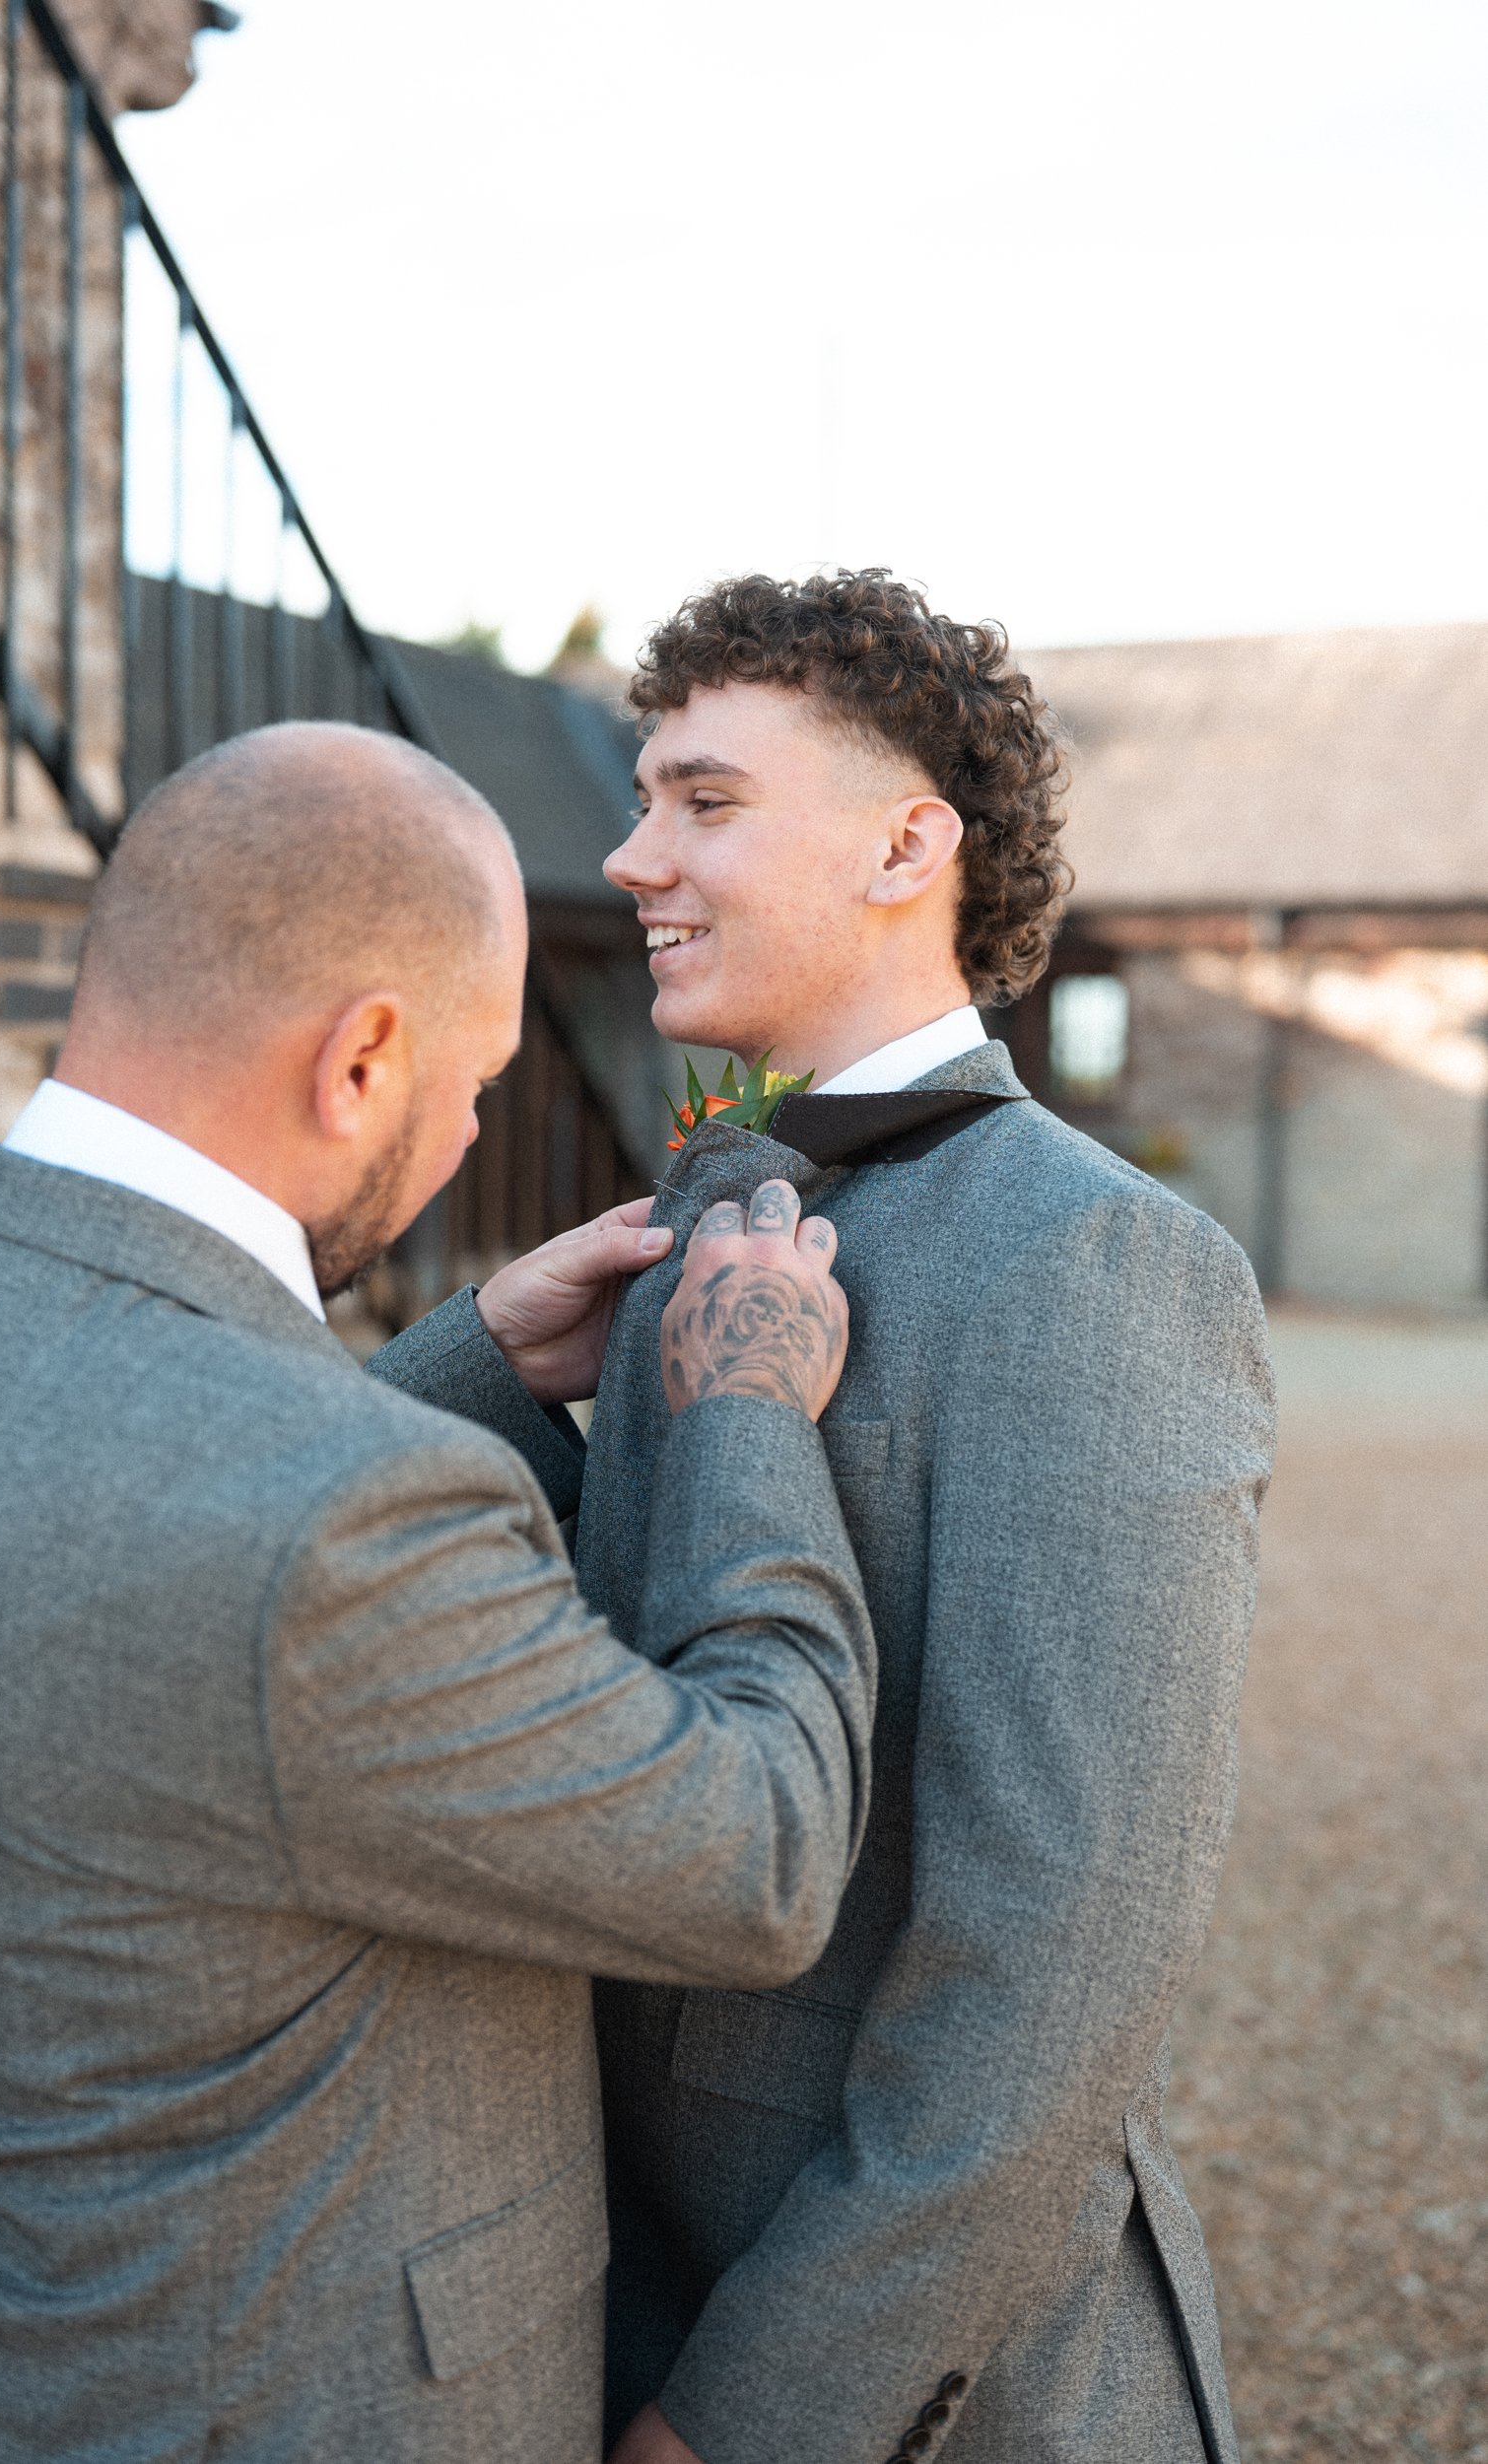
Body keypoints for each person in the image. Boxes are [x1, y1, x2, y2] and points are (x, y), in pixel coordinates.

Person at [0, 720, 878, 2464]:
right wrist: (750, 1417)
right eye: (474, 1082)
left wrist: (466, 1362)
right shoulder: (340, 1526)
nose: (474, 1129)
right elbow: (761, 1855)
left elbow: (146, 1570)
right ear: (363, 1058)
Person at [372, 573, 1277, 2464]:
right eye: (642, 802)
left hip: (899, 2382)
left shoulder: (1098, 1265)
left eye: (703, 801)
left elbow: (1058, 1972)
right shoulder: (684, 1213)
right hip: (589, 2299)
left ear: (903, 844)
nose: (629, 857)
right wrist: (474, 1362)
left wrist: (750, 2423)